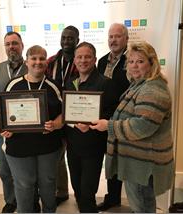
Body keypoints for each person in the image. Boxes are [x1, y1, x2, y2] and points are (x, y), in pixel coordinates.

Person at [90, 41, 174, 213]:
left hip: (143, 164)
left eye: (140, 61)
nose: (134, 66)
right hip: (137, 163)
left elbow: (142, 126)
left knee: (142, 206)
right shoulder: (140, 85)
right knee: (141, 205)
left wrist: (109, 126)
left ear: (152, 63)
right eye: (131, 61)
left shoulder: (152, 90)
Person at [1, 45, 63, 213]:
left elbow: (65, 113)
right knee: (24, 185)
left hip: (48, 146)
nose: (38, 62)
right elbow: (4, 114)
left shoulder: (54, 86)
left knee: (48, 183)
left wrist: (56, 124)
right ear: (26, 61)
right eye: (34, 58)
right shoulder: (13, 84)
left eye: (42, 58)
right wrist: (6, 129)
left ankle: (49, 211)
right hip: (19, 147)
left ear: (46, 62)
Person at [64, 42, 115, 212]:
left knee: (87, 191)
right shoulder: (71, 83)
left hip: (93, 147)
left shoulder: (105, 83)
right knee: (77, 189)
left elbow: (111, 113)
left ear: (94, 59)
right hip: (73, 146)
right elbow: (67, 113)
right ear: (75, 61)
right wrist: (73, 123)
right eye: (79, 57)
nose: (83, 60)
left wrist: (92, 125)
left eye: (87, 57)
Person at [0, 31, 27, 213]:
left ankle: (29, 200)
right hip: (4, 132)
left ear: (22, 45)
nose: (12, 47)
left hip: (28, 132)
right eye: (8, 44)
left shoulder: (31, 67)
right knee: (5, 170)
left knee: (27, 171)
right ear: (5, 47)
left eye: (15, 43)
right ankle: (10, 200)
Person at [96, 23, 130, 211]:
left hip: (124, 119)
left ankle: (133, 198)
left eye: (118, 36)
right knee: (110, 159)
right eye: (111, 36)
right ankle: (113, 198)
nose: (113, 40)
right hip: (104, 118)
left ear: (126, 39)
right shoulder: (101, 61)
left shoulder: (131, 61)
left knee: (123, 160)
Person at [46, 25, 80, 205]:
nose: (67, 41)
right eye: (64, 37)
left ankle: (81, 194)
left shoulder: (82, 60)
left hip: (76, 115)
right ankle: (62, 192)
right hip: (56, 116)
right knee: (57, 157)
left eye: (71, 38)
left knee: (75, 157)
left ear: (77, 41)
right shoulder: (51, 61)